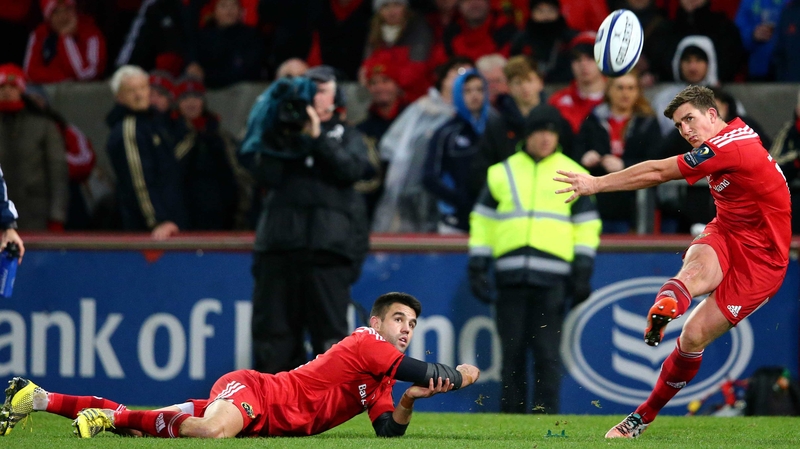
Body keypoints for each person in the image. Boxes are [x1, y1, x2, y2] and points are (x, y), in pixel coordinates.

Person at [554, 85, 791, 438]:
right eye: (680, 126)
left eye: (690, 120)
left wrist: (597, 184)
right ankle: (669, 302)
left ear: (713, 114)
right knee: (694, 271)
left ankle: (643, 414)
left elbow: (657, 172)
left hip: (762, 262)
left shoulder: (728, 146)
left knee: (693, 338)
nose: (686, 131)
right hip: (726, 231)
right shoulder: (733, 135)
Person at [0, 292, 481, 439]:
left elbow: (388, 433)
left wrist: (410, 404)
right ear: (376, 322)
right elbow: (428, 371)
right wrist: (459, 376)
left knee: (151, 425)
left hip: (266, 415)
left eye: (413, 323)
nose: (405, 328)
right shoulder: (367, 344)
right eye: (398, 319)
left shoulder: (378, 378)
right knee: (211, 434)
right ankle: (110, 417)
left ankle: (37, 397)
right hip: (259, 392)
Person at [469, 107, 601, 413]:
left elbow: (587, 225)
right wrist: (477, 265)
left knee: (546, 353)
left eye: (552, 132)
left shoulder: (574, 173)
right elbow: (483, 221)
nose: (546, 138)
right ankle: (512, 419)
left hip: (553, 280)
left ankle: (545, 420)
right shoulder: (501, 171)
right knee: (512, 353)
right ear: (528, 135)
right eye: (540, 131)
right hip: (510, 277)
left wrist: (583, 269)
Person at [240, 65, 371, 374]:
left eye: (322, 89)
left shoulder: (348, 135)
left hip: (328, 255)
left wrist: (317, 137)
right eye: (309, 89)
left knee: (331, 340)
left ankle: (330, 414)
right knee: (274, 338)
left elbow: (351, 170)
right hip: (278, 252)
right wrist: (275, 129)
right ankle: (270, 414)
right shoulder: (280, 134)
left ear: (335, 96)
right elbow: (261, 172)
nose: (315, 96)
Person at [371, 56, 473, 233]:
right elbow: (389, 146)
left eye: (468, 76)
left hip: (452, 195)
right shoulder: (422, 108)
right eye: (456, 72)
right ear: (444, 78)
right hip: (413, 190)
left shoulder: (474, 118)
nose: (460, 79)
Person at [572, 70, 662, 233]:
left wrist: (624, 165)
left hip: (634, 206)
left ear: (638, 92)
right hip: (598, 204)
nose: (625, 93)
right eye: (620, 88)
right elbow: (575, 152)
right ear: (609, 90)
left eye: (631, 88)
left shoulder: (648, 123)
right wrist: (583, 159)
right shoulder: (592, 120)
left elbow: (656, 161)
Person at [469, 56, 572, 197]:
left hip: (551, 195)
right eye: (518, 82)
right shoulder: (498, 126)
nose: (524, 88)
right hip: (509, 197)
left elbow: (572, 161)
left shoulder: (558, 122)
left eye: (529, 80)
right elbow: (483, 168)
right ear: (509, 87)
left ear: (540, 83)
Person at [105, 65, 187, 240]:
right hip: (150, 231)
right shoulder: (129, 129)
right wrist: (157, 221)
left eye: (143, 88)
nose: (139, 94)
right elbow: (138, 181)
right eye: (131, 90)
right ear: (118, 97)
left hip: (172, 221)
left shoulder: (154, 123)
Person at [0, 63, 68, 231]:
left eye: (13, 87)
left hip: (36, 213)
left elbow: (57, 173)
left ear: (22, 90)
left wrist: (57, 215)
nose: (7, 91)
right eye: (2, 87)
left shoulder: (43, 125)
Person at [423, 69, 489, 234]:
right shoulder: (446, 133)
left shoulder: (496, 129)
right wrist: (459, 200)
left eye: (479, 89)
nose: (474, 95)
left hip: (490, 216)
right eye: (467, 90)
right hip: (454, 219)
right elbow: (429, 176)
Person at [23, 0, 107, 83]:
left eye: (68, 9)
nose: (63, 16)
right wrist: (63, 78)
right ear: (48, 17)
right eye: (56, 12)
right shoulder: (39, 34)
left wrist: (66, 38)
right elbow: (30, 73)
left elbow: (87, 74)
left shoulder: (91, 33)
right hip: (50, 92)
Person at [184, 0, 262, 88]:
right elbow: (194, 65)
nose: (229, 10)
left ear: (240, 10)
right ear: (214, 11)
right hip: (207, 89)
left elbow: (249, 70)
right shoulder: (202, 37)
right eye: (223, 6)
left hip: (240, 88)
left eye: (234, 5)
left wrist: (208, 76)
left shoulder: (251, 35)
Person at [548, 31, 606, 134]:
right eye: (577, 59)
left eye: (590, 58)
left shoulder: (617, 96)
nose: (583, 64)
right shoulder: (557, 101)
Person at [508, 0, 578, 83]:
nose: (546, 15)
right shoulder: (521, 39)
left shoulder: (571, 38)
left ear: (558, 12)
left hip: (566, 84)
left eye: (550, 10)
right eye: (540, 11)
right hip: (529, 88)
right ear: (532, 13)